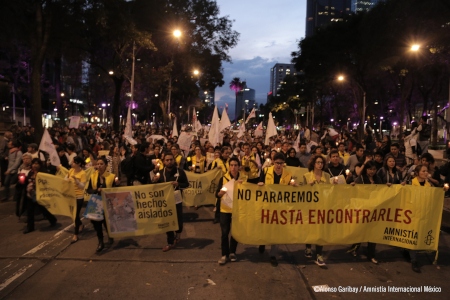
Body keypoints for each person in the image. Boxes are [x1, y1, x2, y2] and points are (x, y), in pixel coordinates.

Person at [407, 164, 448, 272]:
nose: (426, 173)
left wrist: (442, 191)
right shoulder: (411, 183)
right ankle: (413, 260)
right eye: (423, 171)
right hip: (412, 214)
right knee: (413, 237)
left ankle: (409, 253)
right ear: (417, 173)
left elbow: (433, 197)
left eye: (427, 171)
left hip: (423, 214)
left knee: (419, 235)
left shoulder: (428, 185)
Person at [258, 152, 294, 267]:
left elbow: (291, 190)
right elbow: (260, 184)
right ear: (273, 162)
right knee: (265, 228)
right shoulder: (265, 171)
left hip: (280, 208)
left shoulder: (288, 175)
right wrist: (260, 184)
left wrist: (294, 187)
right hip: (267, 205)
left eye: (281, 163)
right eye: (277, 163)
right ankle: (263, 242)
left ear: (284, 164)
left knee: (276, 231)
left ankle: (273, 255)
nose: (278, 165)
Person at [151, 152, 189, 252]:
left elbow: (186, 184)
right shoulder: (160, 173)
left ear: (174, 160)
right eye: (167, 160)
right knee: (167, 221)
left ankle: (178, 234)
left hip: (177, 199)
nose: (169, 162)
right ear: (164, 161)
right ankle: (170, 242)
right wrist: (154, 180)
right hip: (165, 201)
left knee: (178, 220)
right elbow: (155, 187)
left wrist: (178, 184)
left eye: (171, 160)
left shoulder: (180, 172)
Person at [215, 157, 247, 265]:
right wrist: (220, 194)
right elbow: (217, 194)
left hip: (237, 210)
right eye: (231, 165)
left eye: (235, 165)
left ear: (239, 167)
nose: (233, 167)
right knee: (224, 233)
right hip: (225, 209)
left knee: (234, 232)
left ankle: (232, 252)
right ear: (229, 167)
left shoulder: (244, 178)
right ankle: (224, 254)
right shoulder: (223, 179)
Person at [348, 161, 380, 264]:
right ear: (366, 169)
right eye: (370, 169)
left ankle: (371, 254)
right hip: (363, 208)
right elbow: (354, 191)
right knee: (360, 230)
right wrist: (352, 185)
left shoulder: (378, 179)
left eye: (374, 169)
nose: (372, 171)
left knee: (373, 233)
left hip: (374, 209)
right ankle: (355, 248)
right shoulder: (360, 179)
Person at [85, 156, 119, 252]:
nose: (99, 166)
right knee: (97, 224)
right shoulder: (93, 176)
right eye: (98, 164)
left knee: (107, 223)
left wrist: (116, 184)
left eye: (101, 164)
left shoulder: (111, 176)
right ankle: (101, 242)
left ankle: (110, 236)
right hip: (96, 203)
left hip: (108, 203)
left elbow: (116, 191)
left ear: (106, 165)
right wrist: (96, 190)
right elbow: (89, 189)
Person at [303, 154, 331, 267]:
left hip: (322, 207)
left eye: (321, 163)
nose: (320, 164)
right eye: (318, 162)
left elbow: (331, 191)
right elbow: (302, 193)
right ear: (313, 164)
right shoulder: (306, 176)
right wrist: (308, 186)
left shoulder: (327, 176)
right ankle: (308, 247)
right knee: (310, 228)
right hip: (310, 207)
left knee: (320, 230)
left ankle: (319, 255)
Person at [24, 158, 57, 234]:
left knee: (43, 209)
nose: (34, 165)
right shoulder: (30, 172)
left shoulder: (43, 173)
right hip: (30, 194)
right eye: (33, 164)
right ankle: (30, 227)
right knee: (30, 211)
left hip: (40, 195)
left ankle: (52, 220)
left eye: (36, 164)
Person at [67, 156, 87, 243]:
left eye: (74, 162)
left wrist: (76, 180)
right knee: (73, 214)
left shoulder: (83, 173)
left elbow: (82, 186)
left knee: (75, 215)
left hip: (78, 197)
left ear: (78, 164)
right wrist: (66, 180)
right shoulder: (70, 171)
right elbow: (65, 178)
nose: (72, 163)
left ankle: (75, 235)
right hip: (71, 196)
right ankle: (81, 224)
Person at [14, 153, 32, 218]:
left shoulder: (32, 167)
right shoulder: (21, 168)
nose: (25, 160)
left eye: (27, 158)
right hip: (22, 187)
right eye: (24, 159)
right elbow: (19, 176)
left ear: (30, 159)